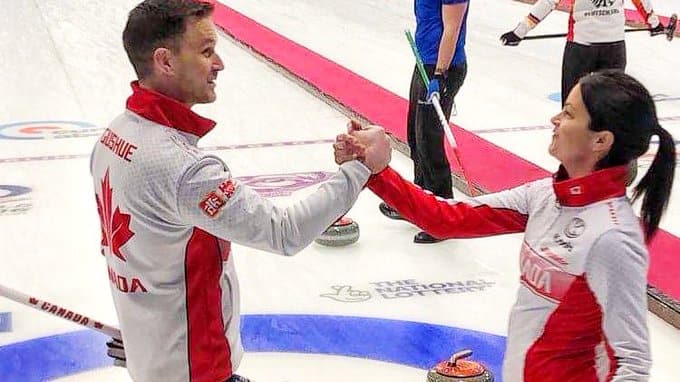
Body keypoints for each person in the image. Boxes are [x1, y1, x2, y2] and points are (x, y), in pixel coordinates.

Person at [90, 1, 390, 381]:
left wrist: (142, 340)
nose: (219, 64)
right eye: (205, 51)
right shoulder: (184, 170)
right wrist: (360, 169)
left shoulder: (113, 138)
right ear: (165, 61)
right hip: (197, 371)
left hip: (159, 364)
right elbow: (285, 232)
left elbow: (134, 259)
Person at [336, 70, 676, 381]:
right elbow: (445, 218)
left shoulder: (613, 237)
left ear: (601, 141)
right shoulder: (543, 196)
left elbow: (631, 363)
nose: (555, 118)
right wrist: (377, 170)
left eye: (569, 113)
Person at [379, 0, 469, 244]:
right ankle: (418, 203)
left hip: (442, 68)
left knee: (429, 142)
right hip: (423, 63)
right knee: (416, 137)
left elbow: (452, 29)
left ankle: (442, 216)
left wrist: (440, 74)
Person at [500, 0, 668, 106]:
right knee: (612, 105)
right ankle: (611, 159)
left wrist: (519, 32)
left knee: (572, 105)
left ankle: (573, 157)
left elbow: (548, 2)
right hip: (614, 45)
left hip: (582, 46)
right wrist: (654, 24)